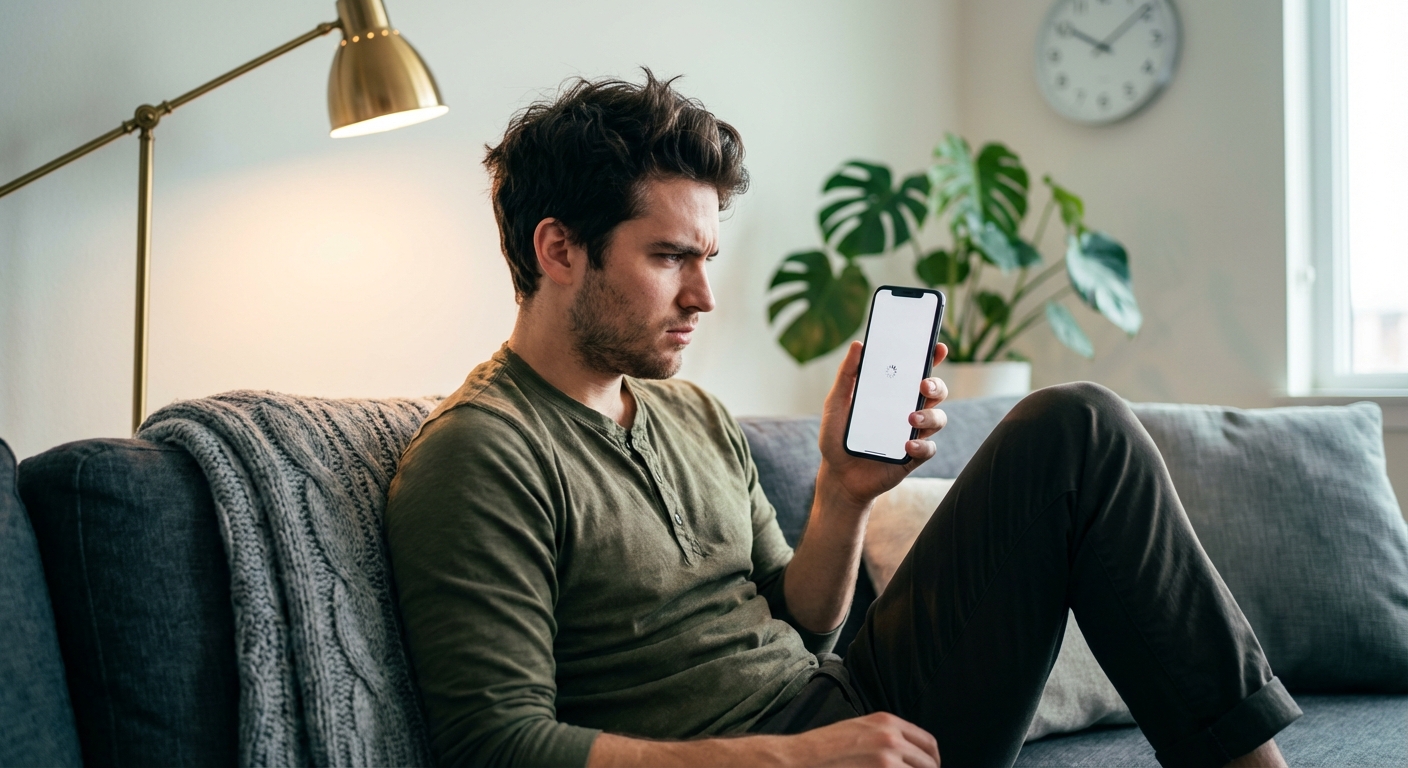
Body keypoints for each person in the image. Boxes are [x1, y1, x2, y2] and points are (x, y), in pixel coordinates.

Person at [384, 71, 1300, 768]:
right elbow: (494, 742)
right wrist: (798, 758)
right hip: (768, 755)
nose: (704, 295)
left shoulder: (690, 410)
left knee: (1077, 428)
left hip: (842, 702)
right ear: (559, 250)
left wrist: (844, 489)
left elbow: (806, 620)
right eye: (670, 258)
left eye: (707, 256)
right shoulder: (480, 453)